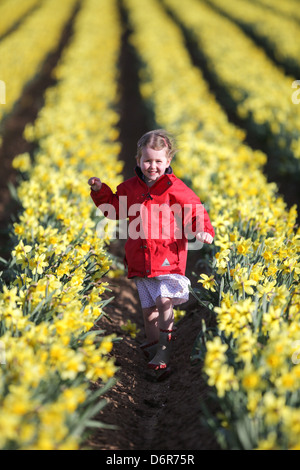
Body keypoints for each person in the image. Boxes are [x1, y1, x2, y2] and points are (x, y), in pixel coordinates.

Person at [88, 129, 214, 371]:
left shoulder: (175, 188)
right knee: (148, 311)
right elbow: (114, 210)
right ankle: (154, 343)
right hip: (141, 259)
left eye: (158, 161)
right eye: (147, 160)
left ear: (168, 162)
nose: (152, 166)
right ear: (138, 161)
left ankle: (165, 349)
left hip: (168, 256)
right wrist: (100, 191)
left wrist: (202, 229)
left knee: (164, 300)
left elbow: (195, 209)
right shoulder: (129, 188)